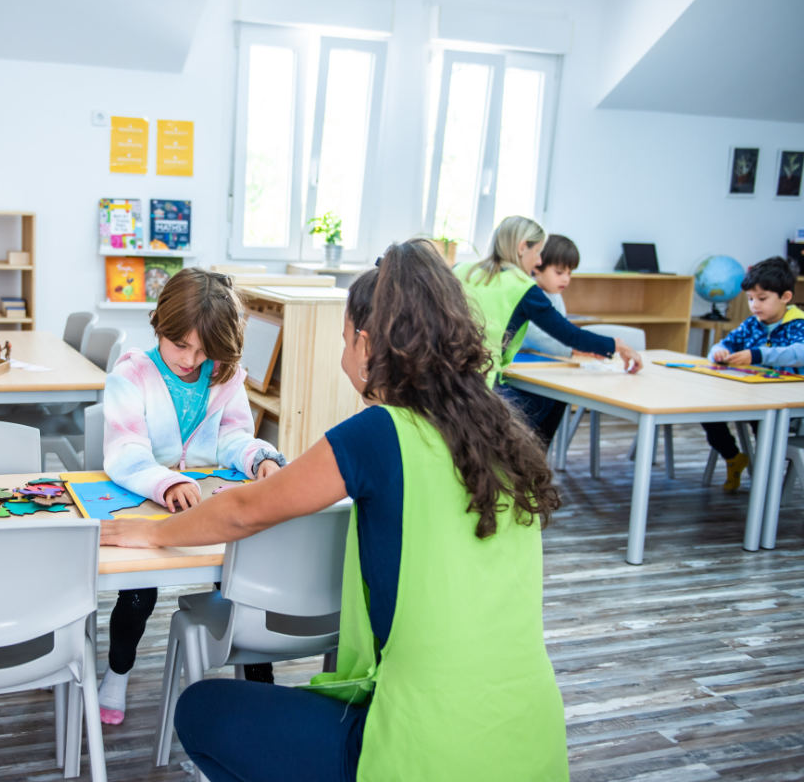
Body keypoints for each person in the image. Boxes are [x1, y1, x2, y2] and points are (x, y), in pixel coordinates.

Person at [101, 240, 570, 781]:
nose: (341, 349)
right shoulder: (501, 429)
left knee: (202, 710)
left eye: (344, 337)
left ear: (366, 344)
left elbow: (245, 511)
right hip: (532, 741)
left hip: (426, 747)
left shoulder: (377, 434)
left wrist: (153, 535)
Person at [98, 267, 286, 725]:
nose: (191, 360)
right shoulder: (132, 372)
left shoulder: (223, 376)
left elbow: (234, 437)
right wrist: (166, 482)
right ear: (159, 325)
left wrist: (259, 456)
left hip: (208, 506)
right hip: (146, 501)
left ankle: (263, 691)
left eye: (204, 351)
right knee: (137, 596)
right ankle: (117, 672)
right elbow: (124, 450)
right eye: (181, 344)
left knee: (243, 587)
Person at [455, 216, 642, 445]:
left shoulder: (460, 270)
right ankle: (529, 464)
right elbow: (568, 335)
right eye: (538, 252)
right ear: (523, 247)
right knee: (554, 396)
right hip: (484, 386)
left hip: (449, 379)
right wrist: (616, 345)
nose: (539, 260)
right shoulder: (522, 287)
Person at [703, 256, 804, 492]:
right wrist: (718, 353)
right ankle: (733, 457)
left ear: (785, 297)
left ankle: (767, 481)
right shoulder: (753, 323)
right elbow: (720, 345)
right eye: (750, 299)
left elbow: (800, 354)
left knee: (763, 425)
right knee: (707, 409)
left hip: (793, 399)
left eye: (762, 298)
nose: (754, 305)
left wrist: (756, 355)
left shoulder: (801, 323)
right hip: (756, 395)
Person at [513, 233, 583, 444]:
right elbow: (534, 336)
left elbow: (560, 330)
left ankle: (538, 456)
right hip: (519, 369)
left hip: (544, 367)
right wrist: (571, 349)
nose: (566, 279)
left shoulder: (556, 296)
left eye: (570, 273)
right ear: (537, 266)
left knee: (559, 398)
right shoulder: (526, 291)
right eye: (559, 272)